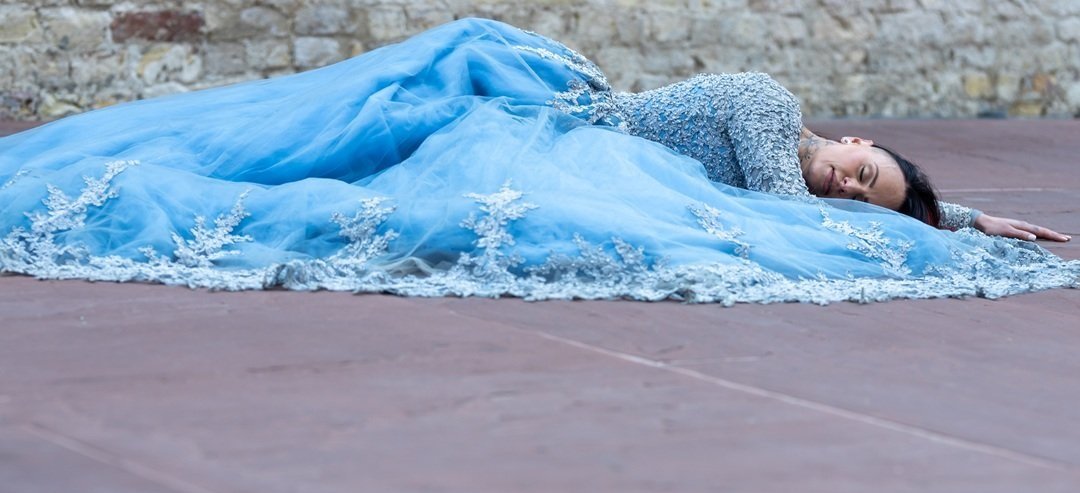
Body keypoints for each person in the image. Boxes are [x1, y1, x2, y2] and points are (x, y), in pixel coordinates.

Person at [0, 18, 1076, 303]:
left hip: (572, 148)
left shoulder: (793, 173)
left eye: (859, 192)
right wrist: (928, 227)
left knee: (348, 195)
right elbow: (779, 216)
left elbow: (801, 215)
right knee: (320, 167)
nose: (843, 185)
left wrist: (961, 222)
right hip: (558, 133)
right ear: (849, 139)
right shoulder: (770, 110)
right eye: (861, 170)